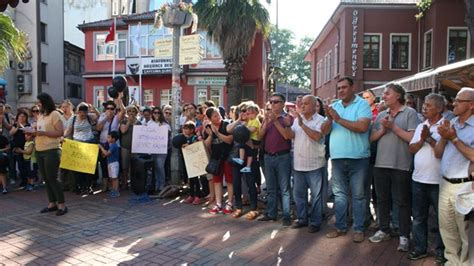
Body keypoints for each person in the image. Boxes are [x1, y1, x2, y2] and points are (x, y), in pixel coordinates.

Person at [368, 84, 420, 251]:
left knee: (402, 202)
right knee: (382, 200)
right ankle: (384, 230)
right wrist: (383, 129)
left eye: (387, 93)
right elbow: (372, 138)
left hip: (401, 165)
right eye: (383, 93)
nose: (383, 96)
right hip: (380, 164)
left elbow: (412, 138)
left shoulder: (410, 113)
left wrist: (393, 127)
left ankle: (404, 235)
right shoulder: (382, 115)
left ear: (398, 95)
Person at [322, 77, 372, 243]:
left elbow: (362, 127)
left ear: (352, 88)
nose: (341, 90)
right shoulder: (334, 107)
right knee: (340, 196)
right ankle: (340, 227)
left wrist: (338, 119)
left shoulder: (362, 104)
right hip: (337, 159)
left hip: (358, 158)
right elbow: (323, 131)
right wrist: (329, 118)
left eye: (344, 87)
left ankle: (359, 229)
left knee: (358, 196)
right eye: (339, 88)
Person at [434, 87, 474, 265]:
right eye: (455, 100)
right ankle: (451, 262)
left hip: (465, 187)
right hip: (445, 184)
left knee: (466, 234)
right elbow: (437, 153)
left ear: (471, 105)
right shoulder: (452, 123)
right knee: (447, 230)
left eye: (459, 100)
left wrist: (454, 139)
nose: (454, 103)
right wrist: (444, 136)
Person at [406, 93, 446, 262]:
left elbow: (441, 153)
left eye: (428, 105)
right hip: (418, 180)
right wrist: (421, 139)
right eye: (424, 105)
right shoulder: (422, 125)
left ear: (439, 108)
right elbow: (412, 149)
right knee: (419, 217)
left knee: (440, 220)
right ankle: (420, 248)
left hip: (438, 181)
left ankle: (441, 252)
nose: (424, 108)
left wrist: (428, 138)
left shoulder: (446, 126)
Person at [283, 95, 326, 233]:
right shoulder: (296, 120)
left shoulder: (321, 120)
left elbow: (317, 136)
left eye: (306, 104)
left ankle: (315, 222)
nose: (302, 106)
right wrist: (288, 125)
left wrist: (303, 125)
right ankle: (302, 219)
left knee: (316, 196)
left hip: (315, 164)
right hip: (298, 163)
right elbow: (290, 136)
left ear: (314, 106)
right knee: (299, 195)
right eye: (302, 104)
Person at [258, 93, 294, 227]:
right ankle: (271, 213)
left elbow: (287, 136)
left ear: (283, 103)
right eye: (271, 102)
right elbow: (260, 136)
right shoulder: (267, 118)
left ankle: (286, 215)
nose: (272, 105)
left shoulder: (288, 118)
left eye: (276, 102)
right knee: (271, 187)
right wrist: (267, 122)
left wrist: (274, 121)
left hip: (283, 156)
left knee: (284, 188)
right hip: (268, 156)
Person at [35, 92, 67, 216]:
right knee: (46, 179)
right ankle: (52, 203)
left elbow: (60, 132)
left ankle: (62, 205)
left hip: (51, 150)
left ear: (45, 102)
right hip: (39, 150)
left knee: (52, 178)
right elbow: (40, 131)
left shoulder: (55, 114)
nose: (38, 106)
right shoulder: (41, 116)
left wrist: (43, 133)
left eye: (39, 103)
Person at [203, 107, 234, 215]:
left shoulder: (226, 124)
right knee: (217, 181)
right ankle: (218, 203)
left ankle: (230, 202)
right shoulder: (208, 127)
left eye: (219, 114)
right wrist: (211, 135)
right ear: (210, 118)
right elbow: (206, 145)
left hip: (227, 156)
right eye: (215, 116)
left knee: (229, 180)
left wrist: (218, 133)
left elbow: (230, 140)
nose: (218, 117)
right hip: (216, 158)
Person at [64, 104, 98, 194]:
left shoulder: (89, 117)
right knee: (78, 168)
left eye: (85, 112)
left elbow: (97, 116)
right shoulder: (73, 119)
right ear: (78, 112)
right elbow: (68, 130)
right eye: (81, 112)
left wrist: (93, 110)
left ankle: (88, 186)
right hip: (77, 144)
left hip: (89, 143)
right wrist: (63, 137)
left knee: (89, 168)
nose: (83, 114)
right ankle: (79, 185)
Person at [96, 98, 125, 192]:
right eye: (108, 108)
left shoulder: (116, 118)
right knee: (104, 165)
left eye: (112, 108)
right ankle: (105, 186)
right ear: (105, 109)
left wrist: (119, 100)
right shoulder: (102, 116)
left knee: (114, 164)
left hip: (114, 145)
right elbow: (98, 128)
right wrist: (105, 118)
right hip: (103, 143)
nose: (110, 110)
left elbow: (123, 111)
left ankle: (115, 185)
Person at [119, 105, 141, 190]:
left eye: (133, 111)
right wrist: (129, 121)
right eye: (129, 111)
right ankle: (125, 183)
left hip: (135, 147)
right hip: (125, 146)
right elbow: (123, 131)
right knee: (125, 166)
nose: (131, 113)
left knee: (134, 166)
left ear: (136, 113)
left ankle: (133, 183)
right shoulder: (123, 121)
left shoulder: (139, 122)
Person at [150, 106, 170, 193]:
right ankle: (156, 185)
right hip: (152, 149)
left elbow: (168, 135)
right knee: (154, 167)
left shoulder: (165, 124)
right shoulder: (149, 123)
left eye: (158, 113)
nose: (156, 114)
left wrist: (160, 126)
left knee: (160, 167)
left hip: (162, 150)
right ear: (152, 114)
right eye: (155, 113)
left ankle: (161, 184)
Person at [99, 131, 121, 197]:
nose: (107, 139)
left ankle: (116, 191)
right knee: (112, 178)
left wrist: (101, 147)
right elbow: (106, 154)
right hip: (110, 163)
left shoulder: (114, 146)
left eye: (109, 137)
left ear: (113, 139)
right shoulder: (111, 145)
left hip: (114, 164)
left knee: (115, 178)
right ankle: (113, 190)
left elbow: (107, 153)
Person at [0, 111, 10, 194]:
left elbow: (8, 147)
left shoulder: (3, 138)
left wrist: (1, 150)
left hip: (1, 157)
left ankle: (4, 187)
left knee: (2, 172)